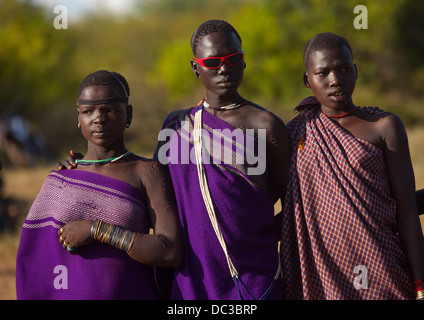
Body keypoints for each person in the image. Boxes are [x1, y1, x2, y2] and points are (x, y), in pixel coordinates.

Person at [59, 20, 291, 300]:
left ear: (244, 61)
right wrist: (85, 168)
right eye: (213, 61)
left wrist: (255, 234)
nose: (223, 68)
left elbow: (290, 201)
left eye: (233, 58)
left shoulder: (265, 126)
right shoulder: (177, 126)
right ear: (196, 67)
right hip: (190, 276)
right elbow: (154, 188)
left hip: (254, 272)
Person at [280, 32, 424, 299]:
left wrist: (420, 283)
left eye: (344, 69)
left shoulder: (384, 126)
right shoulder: (295, 134)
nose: (336, 80)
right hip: (319, 278)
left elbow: (407, 210)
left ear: (356, 71)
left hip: (382, 270)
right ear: (307, 81)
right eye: (323, 73)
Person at [16, 70, 183, 300]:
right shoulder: (64, 177)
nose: (98, 118)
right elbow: (38, 256)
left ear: (128, 114)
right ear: (78, 116)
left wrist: (98, 230)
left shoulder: (146, 171)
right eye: (88, 111)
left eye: (109, 109)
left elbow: (170, 250)